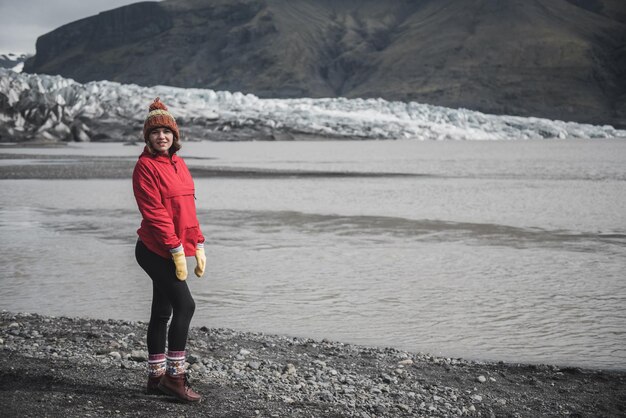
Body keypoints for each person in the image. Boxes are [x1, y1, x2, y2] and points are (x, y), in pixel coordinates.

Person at [132, 97, 207, 403]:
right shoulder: (145, 167)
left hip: (171, 248)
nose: (161, 136)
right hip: (154, 249)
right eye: (155, 132)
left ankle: (155, 378)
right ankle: (175, 379)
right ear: (147, 138)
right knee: (185, 306)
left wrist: (198, 242)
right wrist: (176, 249)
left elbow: (187, 208)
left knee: (162, 312)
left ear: (175, 137)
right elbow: (156, 214)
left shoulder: (178, 164)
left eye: (166, 132)